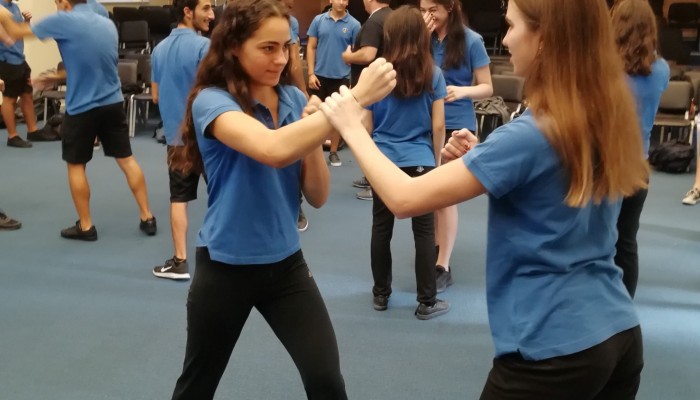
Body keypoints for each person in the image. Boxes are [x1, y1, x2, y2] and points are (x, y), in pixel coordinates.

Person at [320, 0, 646, 397]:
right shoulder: (600, 113)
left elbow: (403, 199)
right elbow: (545, 177)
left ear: (543, 38)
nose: (505, 39)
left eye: (511, 26)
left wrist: (352, 128)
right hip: (619, 331)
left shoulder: (530, 134)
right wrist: (486, 155)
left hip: (553, 347)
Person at [166, 0, 396, 398]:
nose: (280, 58)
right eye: (267, 48)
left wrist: (310, 129)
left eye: (286, 46)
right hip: (226, 268)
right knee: (196, 387)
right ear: (235, 47)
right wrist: (351, 101)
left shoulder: (290, 98)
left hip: (286, 266)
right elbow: (270, 149)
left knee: (326, 382)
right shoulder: (212, 101)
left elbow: (319, 196)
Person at [0, 0, 157, 241]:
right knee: (127, 160)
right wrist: (57, 76)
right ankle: (147, 216)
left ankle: (86, 227)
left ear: (64, 1)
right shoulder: (106, 22)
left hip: (82, 108)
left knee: (76, 166)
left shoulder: (63, 20)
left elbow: (13, 31)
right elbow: (93, 62)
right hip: (112, 103)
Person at [361, 5, 449, 319]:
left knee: (380, 228)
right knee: (424, 233)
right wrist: (436, 159)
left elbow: (365, 126)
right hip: (421, 162)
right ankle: (427, 302)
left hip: (383, 162)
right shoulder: (433, 73)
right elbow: (438, 126)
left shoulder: (377, 72)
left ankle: (380, 295)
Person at [420, 0, 492, 292]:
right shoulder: (423, 37)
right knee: (429, 192)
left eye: (433, 8)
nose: (428, 15)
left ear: (449, 7)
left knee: (446, 195)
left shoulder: (472, 41)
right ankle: (437, 245)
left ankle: (443, 264)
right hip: (424, 121)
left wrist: (462, 90)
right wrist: (419, 38)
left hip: (457, 124)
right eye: (423, 8)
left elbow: (487, 86)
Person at [150, 0, 214, 280]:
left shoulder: (159, 49)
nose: (212, 15)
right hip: (211, 137)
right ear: (188, 11)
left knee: (179, 198)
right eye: (206, 8)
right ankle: (231, 256)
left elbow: (155, 95)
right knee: (224, 195)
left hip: (177, 140)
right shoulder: (205, 47)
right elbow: (217, 90)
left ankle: (180, 262)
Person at [611, 0, 669, 298]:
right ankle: (624, 307)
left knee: (597, 240)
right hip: (638, 167)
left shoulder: (605, 69)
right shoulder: (661, 69)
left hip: (606, 166)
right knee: (626, 242)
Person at [343, 0, 391, 201]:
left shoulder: (374, 21)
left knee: (371, 135)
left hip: (373, 90)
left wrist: (348, 56)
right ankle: (371, 177)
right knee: (379, 134)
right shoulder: (392, 17)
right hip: (386, 86)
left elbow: (368, 54)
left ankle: (376, 183)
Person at [307, 0, 360, 167]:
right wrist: (310, 73)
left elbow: (356, 54)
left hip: (341, 78)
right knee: (312, 114)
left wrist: (353, 80)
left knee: (337, 117)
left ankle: (334, 152)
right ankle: (310, 153)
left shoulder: (354, 24)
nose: (341, 2)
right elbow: (311, 47)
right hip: (319, 76)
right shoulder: (318, 20)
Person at [0, 0, 39, 148]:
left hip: (19, 58)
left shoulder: (14, 7)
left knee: (27, 94)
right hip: (6, 60)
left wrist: (27, 21)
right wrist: (5, 38)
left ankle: (33, 131)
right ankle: (12, 136)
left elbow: (19, 31)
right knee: (9, 98)